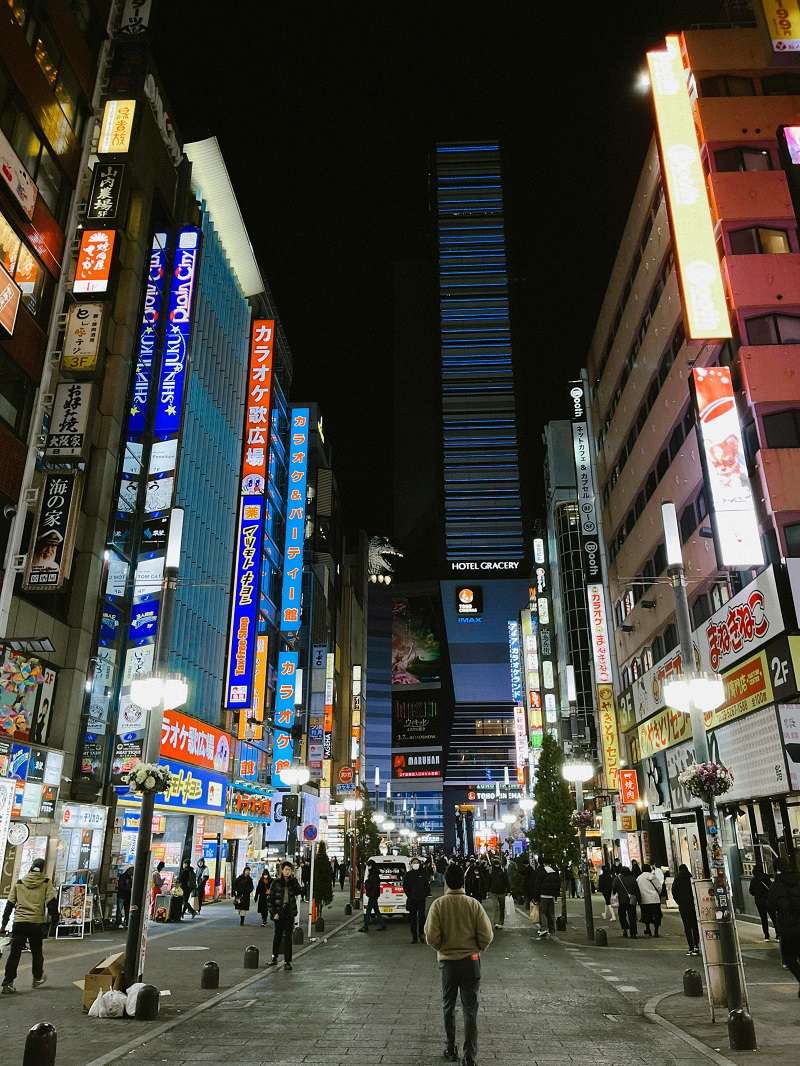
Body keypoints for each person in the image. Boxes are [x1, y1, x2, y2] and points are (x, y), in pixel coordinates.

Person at [424, 862, 493, 1066]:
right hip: (471, 962)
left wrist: (442, 948)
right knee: (470, 1009)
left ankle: (450, 1046)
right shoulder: (473, 904)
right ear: (463, 882)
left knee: (448, 1006)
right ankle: (470, 1056)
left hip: (448, 964)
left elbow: (431, 936)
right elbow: (486, 935)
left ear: (446, 882)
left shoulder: (439, 905)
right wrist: (477, 948)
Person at [1, 859, 56, 993]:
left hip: (19, 923)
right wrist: (55, 922)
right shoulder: (46, 882)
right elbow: (51, 903)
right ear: (42, 869)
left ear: (31, 868)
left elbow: (9, 904)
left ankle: (8, 983)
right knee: (37, 952)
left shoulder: (19, 882)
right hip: (36, 923)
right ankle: (37, 978)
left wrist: (3, 924)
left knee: (14, 954)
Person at [768, 859, 800, 993]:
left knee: (789, 958)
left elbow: (770, 905)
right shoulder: (798, 879)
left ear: (776, 869)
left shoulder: (777, 884)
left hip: (788, 928)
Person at [267, 861, 301, 970]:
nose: (287, 872)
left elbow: (299, 891)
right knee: (277, 936)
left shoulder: (293, 882)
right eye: (285, 869)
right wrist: (274, 913)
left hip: (289, 913)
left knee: (288, 938)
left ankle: (287, 961)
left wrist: (294, 881)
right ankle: (274, 957)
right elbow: (270, 900)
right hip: (278, 912)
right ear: (282, 870)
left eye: (289, 870)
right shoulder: (276, 883)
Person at [671, 864, 700, 956]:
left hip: (683, 906)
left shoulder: (677, 879)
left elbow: (674, 892)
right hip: (693, 905)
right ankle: (696, 945)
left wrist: (679, 902)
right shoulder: (692, 878)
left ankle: (690, 947)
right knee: (695, 926)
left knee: (687, 927)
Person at [403, 857, 430, 943]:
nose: (415, 864)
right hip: (412, 900)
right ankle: (414, 937)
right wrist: (410, 895)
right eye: (414, 863)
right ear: (411, 864)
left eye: (417, 862)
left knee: (422, 918)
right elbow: (405, 887)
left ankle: (421, 934)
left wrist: (425, 894)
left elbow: (427, 885)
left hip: (421, 900)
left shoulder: (423, 873)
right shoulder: (408, 875)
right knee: (413, 919)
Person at [533, 859, 560, 939]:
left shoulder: (541, 872)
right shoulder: (554, 872)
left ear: (544, 864)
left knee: (543, 913)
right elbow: (557, 884)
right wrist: (555, 895)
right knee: (551, 914)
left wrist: (535, 897)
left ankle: (544, 928)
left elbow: (537, 885)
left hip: (543, 895)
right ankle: (552, 930)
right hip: (551, 896)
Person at [613, 866, 640, 938]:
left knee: (622, 915)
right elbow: (637, 890)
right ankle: (633, 933)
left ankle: (625, 929)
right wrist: (639, 899)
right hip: (632, 900)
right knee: (632, 916)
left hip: (622, 900)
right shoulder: (633, 879)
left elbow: (614, 889)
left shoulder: (618, 879)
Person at [637, 863, 663, 937]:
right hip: (654, 899)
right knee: (657, 915)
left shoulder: (639, 878)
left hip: (644, 900)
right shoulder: (652, 876)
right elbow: (659, 887)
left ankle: (648, 929)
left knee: (646, 916)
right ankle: (656, 931)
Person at [360, 859, 387, 933]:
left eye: (369, 865)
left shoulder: (374, 874)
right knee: (376, 911)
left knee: (368, 911)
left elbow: (374, 886)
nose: (368, 867)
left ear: (371, 866)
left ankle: (366, 926)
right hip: (374, 895)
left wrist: (367, 883)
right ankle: (382, 924)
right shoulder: (374, 873)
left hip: (373, 895)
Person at [749, 865, 773, 940]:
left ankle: (766, 936)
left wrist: (757, 893)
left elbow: (751, 891)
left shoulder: (754, 880)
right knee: (773, 917)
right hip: (768, 900)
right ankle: (778, 934)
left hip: (759, 901)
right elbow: (771, 888)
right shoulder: (766, 878)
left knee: (763, 918)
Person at [488, 857, 511, 930]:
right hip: (496, 892)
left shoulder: (502, 870)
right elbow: (489, 880)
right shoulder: (492, 869)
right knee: (497, 907)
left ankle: (500, 922)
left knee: (500, 907)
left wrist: (509, 890)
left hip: (500, 891)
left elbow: (507, 881)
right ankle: (497, 922)